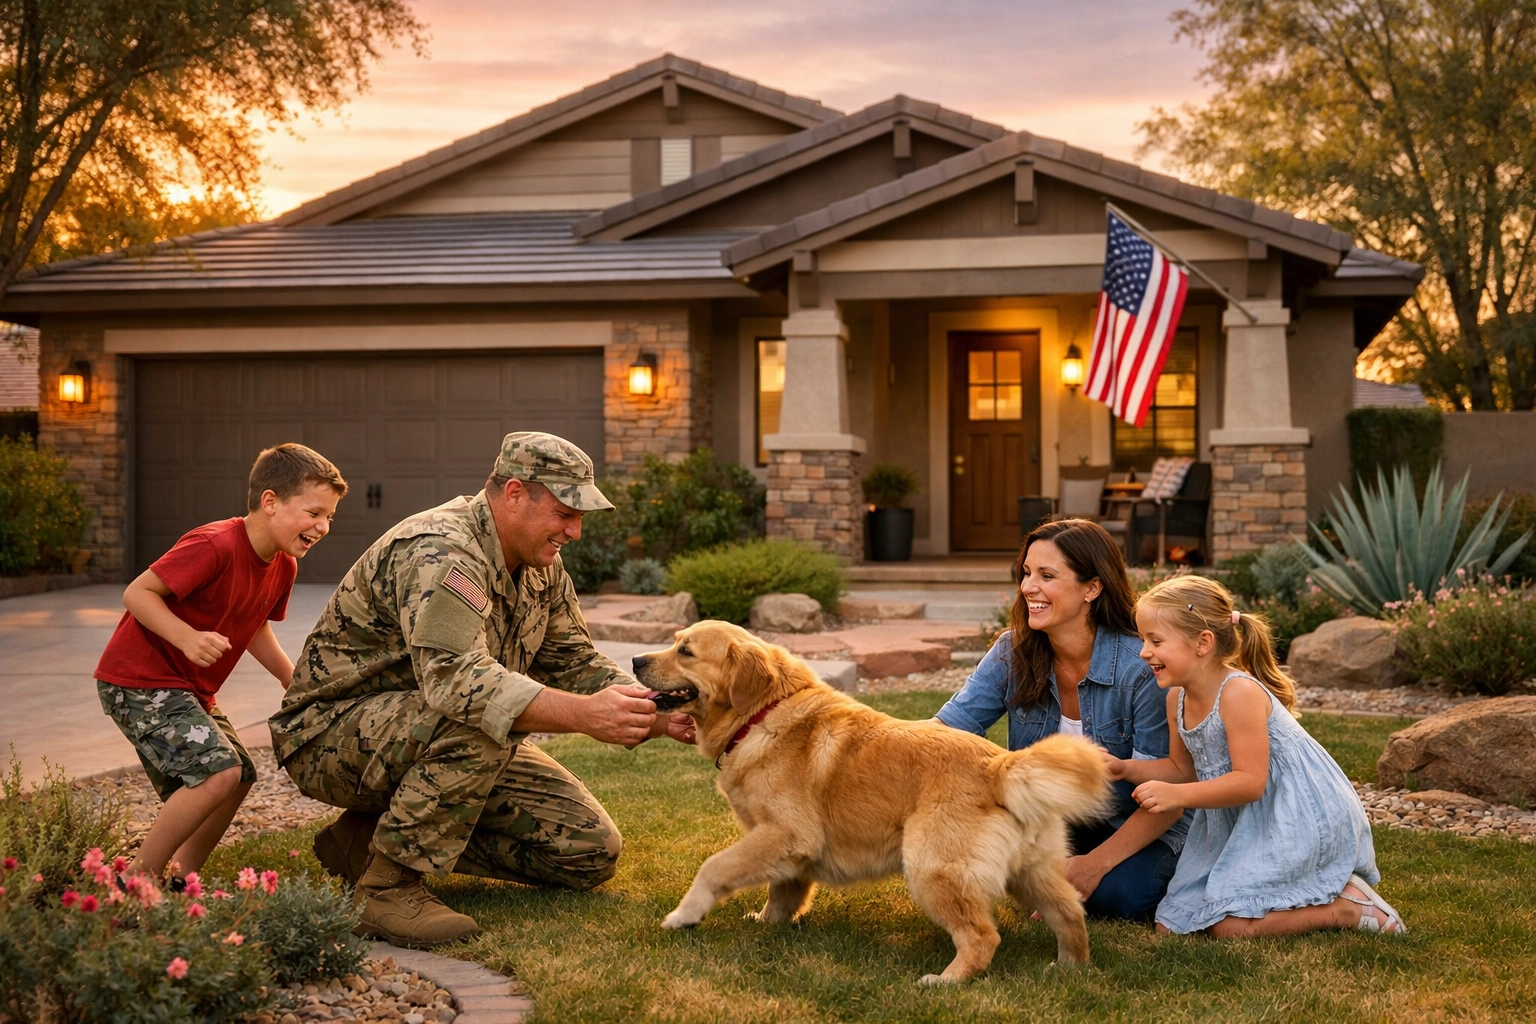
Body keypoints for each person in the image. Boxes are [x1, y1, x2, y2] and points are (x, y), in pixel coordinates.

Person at [270, 431, 694, 949]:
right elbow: (455, 679)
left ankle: (363, 841)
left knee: (585, 849)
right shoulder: (442, 552)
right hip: (328, 737)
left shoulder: (542, 567)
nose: (576, 531)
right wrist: (585, 716)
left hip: (423, 731)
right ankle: (387, 887)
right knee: (484, 712)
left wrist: (656, 712)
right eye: (566, 511)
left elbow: (574, 660)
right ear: (514, 493)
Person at [96, 443, 346, 889]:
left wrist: (293, 679)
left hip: (187, 689)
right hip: (137, 681)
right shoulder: (213, 544)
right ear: (270, 501)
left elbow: (251, 625)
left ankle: (181, 878)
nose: (322, 526)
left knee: (239, 775)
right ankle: (136, 883)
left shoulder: (282, 565)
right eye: (313, 513)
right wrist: (187, 637)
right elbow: (137, 593)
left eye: (328, 516)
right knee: (217, 771)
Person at [1111, 573, 1405, 937]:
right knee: (1170, 925)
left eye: (1155, 640)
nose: (1143, 651)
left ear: (1203, 643)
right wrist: (1124, 768)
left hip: (1290, 814)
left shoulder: (1238, 694)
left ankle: (1344, 908)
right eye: (1143, 640)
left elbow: (1250, 783)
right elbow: (1181, 770)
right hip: (1237, 819)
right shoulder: (1177, 698)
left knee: (1229, 928)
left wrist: (1177, 797)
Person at [935, 518, 1188, 920]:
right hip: (1056, 821)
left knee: (1124, 897)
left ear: (1092, 587)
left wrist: (1094, 865)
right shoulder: (1011, 651)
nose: (1028, 587)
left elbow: (1165, 797)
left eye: (1047, 576)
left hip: (1136, 821)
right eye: (1026, 573)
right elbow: (944, 733)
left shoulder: (1140, 668)